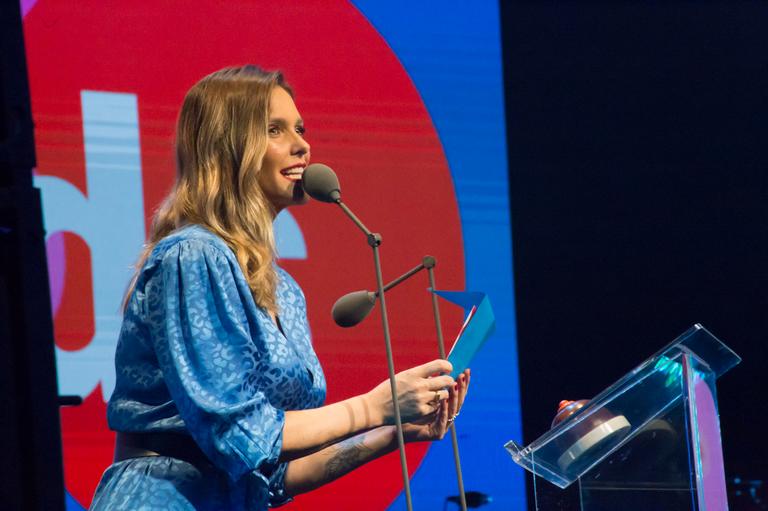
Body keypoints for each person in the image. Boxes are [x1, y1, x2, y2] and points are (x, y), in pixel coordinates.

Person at [89, 65, 470, 511]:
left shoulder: (284, 289)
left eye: (301, 129)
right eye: (275, 129)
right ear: (227, 148)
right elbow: (237, 435)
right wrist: (375, 405)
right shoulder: (193, 255)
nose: (303, 145)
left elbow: (273, 476)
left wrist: (397, 431)